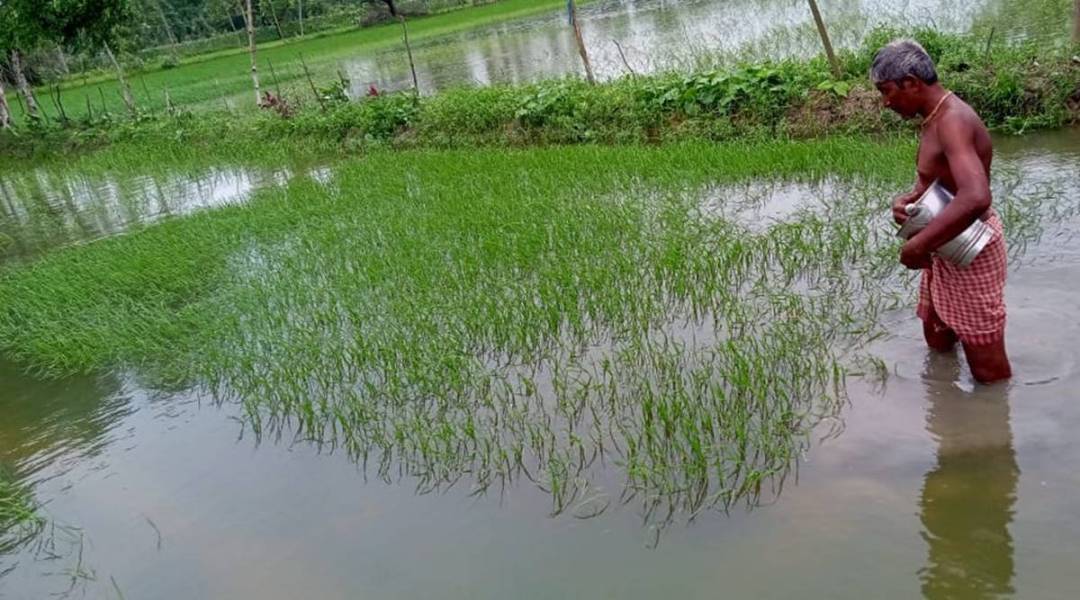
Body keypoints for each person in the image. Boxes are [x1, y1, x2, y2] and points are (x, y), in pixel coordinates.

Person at [871, 39, 1012, 383]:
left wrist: (918, 245)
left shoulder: (952, 121)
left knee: (987, 369)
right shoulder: (935, 117)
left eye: (887, 91)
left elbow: (977, 196)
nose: (885, 102)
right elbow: (943, 182)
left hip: (970, 249)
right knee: (937, 337)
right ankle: (944, 417)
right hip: (945, 243)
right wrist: (909, 199)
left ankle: (988, 427)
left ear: (911, 83)